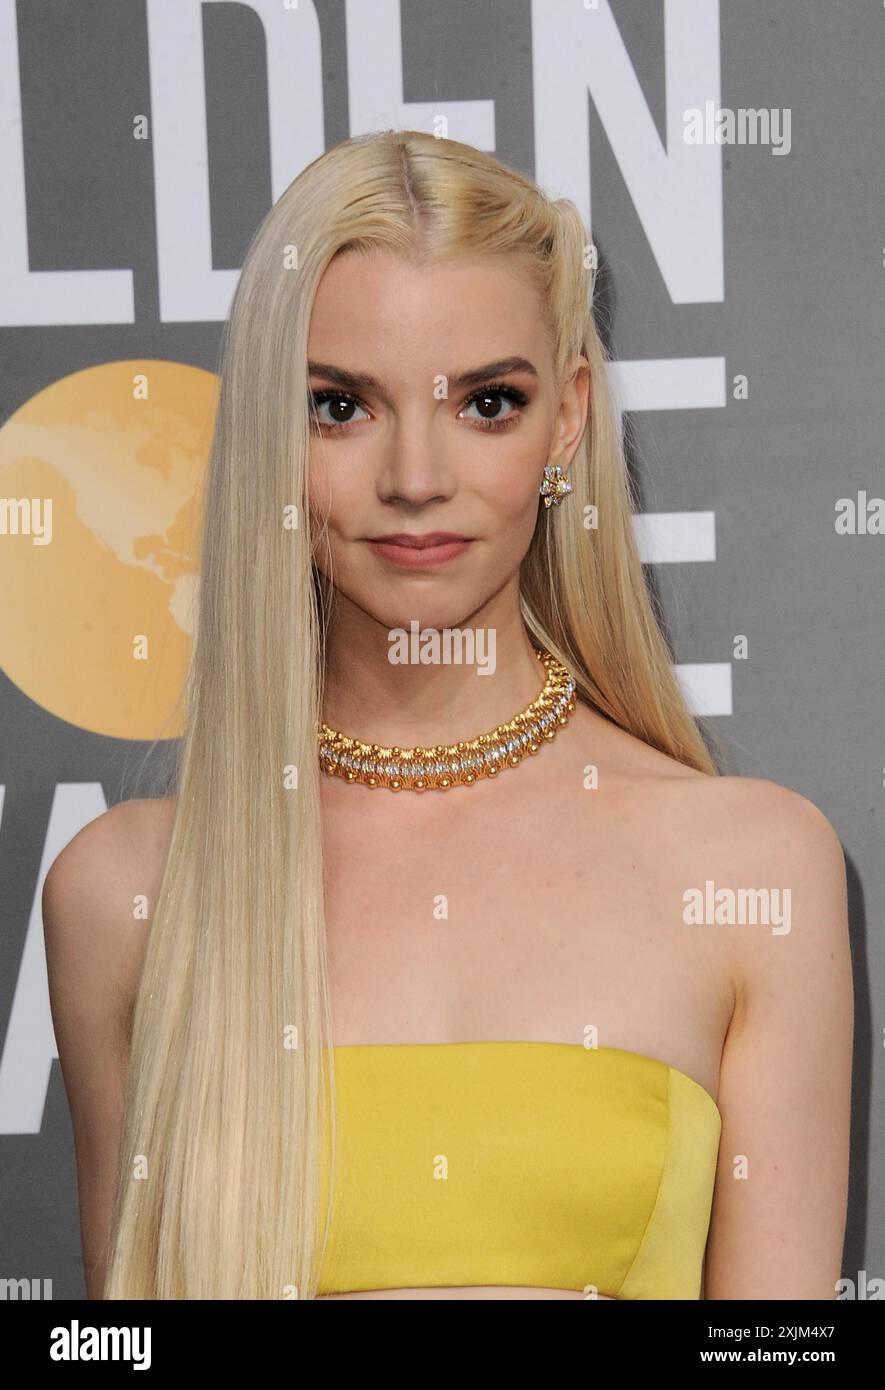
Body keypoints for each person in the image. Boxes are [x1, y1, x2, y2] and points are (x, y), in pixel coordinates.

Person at [42, 130, 853, 1301]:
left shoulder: (752, 864)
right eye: (340, 406)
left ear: (566, 421)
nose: (415, 476)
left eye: (486, 401)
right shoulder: (127, 894)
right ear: (271, 428)